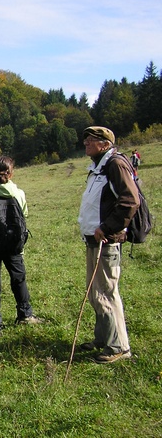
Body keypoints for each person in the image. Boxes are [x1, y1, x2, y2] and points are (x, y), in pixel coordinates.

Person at [78, 126, 139, 364]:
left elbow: (129, 201)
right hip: (94, 239)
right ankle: (103, 338)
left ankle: (119, 347)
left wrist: (108, 227)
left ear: (104, 144)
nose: (85, 143)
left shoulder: (115, 165)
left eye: (90, 140)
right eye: (85, 140)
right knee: (95, 293)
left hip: (106, 240)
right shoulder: (98, 166)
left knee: (106, 292)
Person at [0, 156, 43, 335]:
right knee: (18, 279)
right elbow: (24, 214)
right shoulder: (19, 193)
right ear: (11, 173)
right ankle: (25, 314)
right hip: (15, 244)